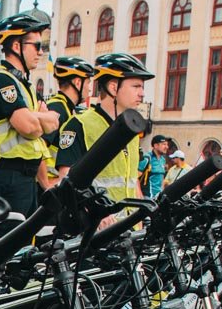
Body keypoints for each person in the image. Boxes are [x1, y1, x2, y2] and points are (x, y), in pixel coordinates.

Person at [0, 12, 57, 227]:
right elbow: (29, 127)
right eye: (36, 46)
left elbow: (52, 123)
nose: (41, 52)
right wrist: (40, 117)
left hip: (24, 179)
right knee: (5, 245)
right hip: (5, 177)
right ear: (16, 46)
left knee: (23, 249)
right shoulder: (1, 80)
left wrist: (38, 118)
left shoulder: (25, 85)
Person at [55, 52, 153, 222]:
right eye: (136, 86)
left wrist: (142, 214)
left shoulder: (131, 131)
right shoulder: (79, 125)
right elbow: (66, 178)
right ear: (113, 87)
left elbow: (131, 180)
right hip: (97, 230)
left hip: (127, 230)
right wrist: (96, 212)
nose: (142, 93)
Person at [44, 56, 93, 176]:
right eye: (88, 83)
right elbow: (37, 149)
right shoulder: (57, 108)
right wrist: (46, 184)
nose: (90, 89)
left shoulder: (68, 108)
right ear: (77, 83)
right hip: (47, 188)